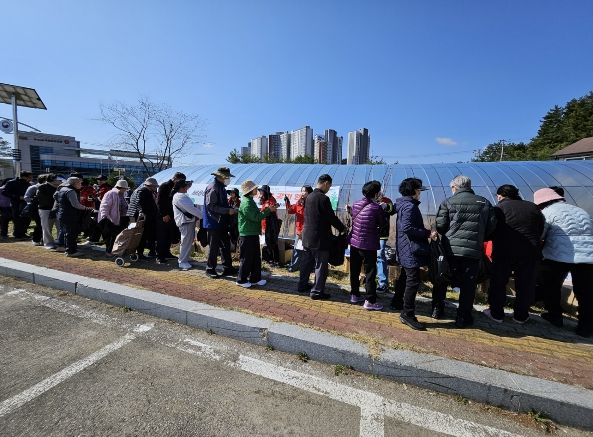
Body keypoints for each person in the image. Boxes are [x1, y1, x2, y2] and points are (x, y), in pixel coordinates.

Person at [434, 175, 497, 327]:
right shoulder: (484, 203)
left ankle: (437, 309)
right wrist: (479, 237)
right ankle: (463, 317)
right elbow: (491, 227)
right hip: (473, 252)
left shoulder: (448, 202)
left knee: (442, 279)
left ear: (454, 187)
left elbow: (440, 226)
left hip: (450, 250)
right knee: (468, 285)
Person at [534, 188, 593, 338]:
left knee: (551, 286)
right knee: (585, 292)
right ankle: (586, 327)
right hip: (588, 258)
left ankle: (555, 316)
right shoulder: (580, 211)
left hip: (558, 256)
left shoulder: (547, 212)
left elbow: (540, 234)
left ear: (542, 202)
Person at [482, 185, 545, 324]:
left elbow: (490, 229)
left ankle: (496, 314)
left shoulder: (498, 208)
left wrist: (492, 238)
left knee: (499, 282)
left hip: (504, 250)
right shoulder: (533, 207)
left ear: (500, 196)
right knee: (525, 284)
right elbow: (540, 228)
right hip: (530, 251)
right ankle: (520, 316)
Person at [390, 178, 436, 330]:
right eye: (419, 190)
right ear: (415, 191)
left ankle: (396, 301)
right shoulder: (410, 206)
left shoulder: (402, 204)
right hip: (410, 248)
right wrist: (428, 233)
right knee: (413, 280)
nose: (420, 193)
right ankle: (407, 314)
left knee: (405, 276)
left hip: (404, 246)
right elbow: (407, 227)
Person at [299, 174, 347, 300]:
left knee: (306, 263)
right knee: (321, 265)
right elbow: (331, 218)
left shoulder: (309, 197)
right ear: (325, 183)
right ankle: (317, 292)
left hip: (307, 237)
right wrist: (342, 228)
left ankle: (302, 285)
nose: (328, 189)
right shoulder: (323, 199)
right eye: (329, 186)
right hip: (319, 239)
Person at [349, 180, 387, 311]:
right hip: (368, 245)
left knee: (354, 270)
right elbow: (382, 224)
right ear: (376, 194)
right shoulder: (377, 208)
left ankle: (354, 295)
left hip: (354, 243)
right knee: (370, 273)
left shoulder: (356, 204)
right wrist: (383, 209)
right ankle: (370, 301)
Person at [236, 180, 276, 288]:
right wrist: (268, 210)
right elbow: (256, 217)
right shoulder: (246, 203)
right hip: (247, 234)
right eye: (255, 188)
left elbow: (256, 214)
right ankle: (241, 280)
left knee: (255, 257)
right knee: (247, 258)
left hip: (252, 233)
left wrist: (267, 209)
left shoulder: (250, 200)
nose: (257, 190)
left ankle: (255, 278)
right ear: (250, 191)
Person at [203, 167, 237, 278]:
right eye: (227, 177)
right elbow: (211, 206)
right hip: (213, 222)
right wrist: (227, 211)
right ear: (221, 177)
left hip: (221, 221)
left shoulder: (221, 187)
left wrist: (229, 209)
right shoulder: (213, 188)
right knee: (214, 247)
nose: (228, 179)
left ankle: (228, 267)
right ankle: (210, 269)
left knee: (225, 245)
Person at [53, 177, 95, 257]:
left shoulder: (62, 189)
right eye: (80, 183)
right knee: (71, 233)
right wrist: (86, 208)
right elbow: (76, 205)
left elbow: (55, 196)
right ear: (75, 183)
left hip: (62, 213)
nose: (81, 185)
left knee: (66, 233)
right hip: (70, 215)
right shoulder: (71, 191)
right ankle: (71, 251)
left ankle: (66, 248)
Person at [156, 172, 186, 264]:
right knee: (162, 236)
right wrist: (164, 214)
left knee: (169, 235)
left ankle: (167, 252)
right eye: (181, 180)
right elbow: (159, 201)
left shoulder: (175, 188)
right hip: (164, 216)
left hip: (172, 215)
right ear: (175, 178)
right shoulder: (164, 186)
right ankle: (160, 256)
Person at [172, 180, 201, 271]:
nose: (187, 188)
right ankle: (182, 261)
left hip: (187, 221)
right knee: (186, 241)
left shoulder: (179, 195)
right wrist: (202, 216)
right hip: (185, 222)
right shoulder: (180, 196)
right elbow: (191, 209)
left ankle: (185, 258)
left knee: (188, 241)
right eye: (186, 186)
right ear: (182, 187)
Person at [128, 178, 159, 259]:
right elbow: (140, 204)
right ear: (150, 186)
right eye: (155, 186)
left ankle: (147, 252)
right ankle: (140, 253)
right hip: (143, 217)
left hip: (139, 216)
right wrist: (143, 213)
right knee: (142, 235)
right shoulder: (143, 191)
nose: (156, 188)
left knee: (143, 235)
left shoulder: (140, 190)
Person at [285, 185, 313, 272]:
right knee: (297, 249)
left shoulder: (312, 203)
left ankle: (309, 267)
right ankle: (294, 267)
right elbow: (290, 211)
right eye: (302, 191)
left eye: (305, 191)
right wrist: (287, 202)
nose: (303, 193)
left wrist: (304, 231)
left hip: (308, 231)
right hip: (299, 232)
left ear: (309, 192)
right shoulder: (299, 203)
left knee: (309, 250)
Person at [98, 179, 130, 256]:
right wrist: (104, 216)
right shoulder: (111, 193)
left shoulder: (122, 194)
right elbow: (104, 205)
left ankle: (117, 250)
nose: (126, 190)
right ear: (121, 187)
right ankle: (109, 251)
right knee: (111, 237)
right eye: (125, 188)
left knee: (118, 236)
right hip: (111, 219)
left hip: (121, 218)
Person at [3, 171, 33, 239]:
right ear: (24, 177)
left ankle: (23, 233)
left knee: (27, 218)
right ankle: (17, 234)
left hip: (26, 203)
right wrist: (17, 197)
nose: (31, 179)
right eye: (29, 177)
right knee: (17, 219)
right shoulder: (11, 182)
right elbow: (4, 192)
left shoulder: (28, 184)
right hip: (15, 203)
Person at [377, 193, 396, 292]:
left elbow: (392, 210)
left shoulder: (387, 200)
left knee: (380, 255)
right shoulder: (370, 199)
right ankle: (370, 281)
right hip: (370, 233)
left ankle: (383, 283)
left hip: (382, 233)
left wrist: (386, 206)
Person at [259, 185, 281, 266]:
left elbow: (273, 208)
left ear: (265, 192)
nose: (260, 193)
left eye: (261, 191)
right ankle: (270, 259)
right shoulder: (265, 199)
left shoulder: (270, 199)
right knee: (268, 242)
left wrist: (269, 207)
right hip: (266, 224)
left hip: (271, 224)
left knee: (272, 242)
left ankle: (275, 260)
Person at [37, 174, 61, 249]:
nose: (60, 181)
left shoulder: (59, 187)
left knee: (60, 226)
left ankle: (60, 242)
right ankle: (48, 243)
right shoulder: (42, 187)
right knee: (47, 227)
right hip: (45, 209)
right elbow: (44, 199)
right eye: (58, 179)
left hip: (57, 209)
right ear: (53, 180)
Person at [24, 174, 47, 246]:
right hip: (35, 209)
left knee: (45, 225)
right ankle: (36, 239)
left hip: (44, 208)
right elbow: (26, 198)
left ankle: (43, 239)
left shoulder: (48, 187)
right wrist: (37, 199)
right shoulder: (33, 187)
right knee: (39, 224)